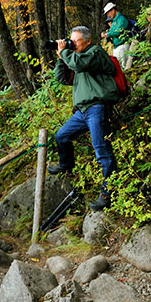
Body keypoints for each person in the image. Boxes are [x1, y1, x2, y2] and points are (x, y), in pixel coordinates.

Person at [47, 26, 120, 211]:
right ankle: (66, 165)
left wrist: (65, 53)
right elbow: (62, 79)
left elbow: (79, 64)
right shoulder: (77, 59)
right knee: (61, 136)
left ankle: (108, 192)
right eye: (70, 41)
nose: (71, 44)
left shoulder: (94, 53)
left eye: (75, 41)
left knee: (102, 151)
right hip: (82, 112)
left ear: (87, 41)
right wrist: (61, 58)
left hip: (97, 107)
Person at [100, 2, 133, 70]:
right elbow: (112, 31)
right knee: (117, 66)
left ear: (113, 10)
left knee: (122, 66)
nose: (108, 15)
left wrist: (108, 34)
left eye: (108, 13)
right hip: (117, 46)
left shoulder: (121, 19)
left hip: (123, 45)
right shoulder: (115, 20)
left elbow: (119, 31)